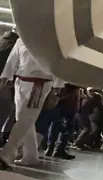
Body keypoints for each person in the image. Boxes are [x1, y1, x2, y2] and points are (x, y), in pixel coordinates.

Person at [0, 38, 64, 169]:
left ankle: (7, 154)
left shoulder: (53, 40)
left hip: (39, 84)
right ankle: (31, 155)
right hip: (20, 82)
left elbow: (59, 63)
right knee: (23, 119)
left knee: (25, 120)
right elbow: (13, 58)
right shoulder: (21, 39)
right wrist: (5, 76)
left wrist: (57, 87)